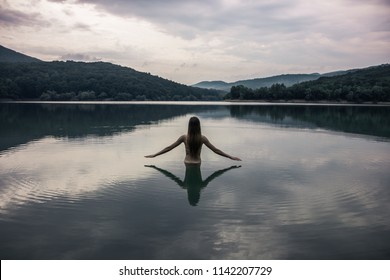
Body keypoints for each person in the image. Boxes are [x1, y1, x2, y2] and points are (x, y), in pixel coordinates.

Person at [145, 116, 241, 164]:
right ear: (199, 126)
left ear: (189, 126)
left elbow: (169, 148)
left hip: (187, 163)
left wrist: (155, 155)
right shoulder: (202, 138)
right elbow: (216, 150)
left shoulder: (184, 137)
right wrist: (230, 157)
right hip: (197, 163)